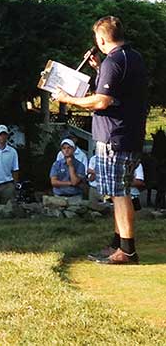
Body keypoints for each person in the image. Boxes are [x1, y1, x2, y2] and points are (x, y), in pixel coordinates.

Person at [55, 16, 148, 264]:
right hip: (130, 134)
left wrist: (67, 99)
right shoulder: (133, 57)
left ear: (101, 38)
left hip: (114, 136)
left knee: (119, 194)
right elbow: (120, 91)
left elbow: (101, 101)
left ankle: (127, 251)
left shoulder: (113, 61)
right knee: (122, 191)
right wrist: (98, 69)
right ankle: (118, 244)